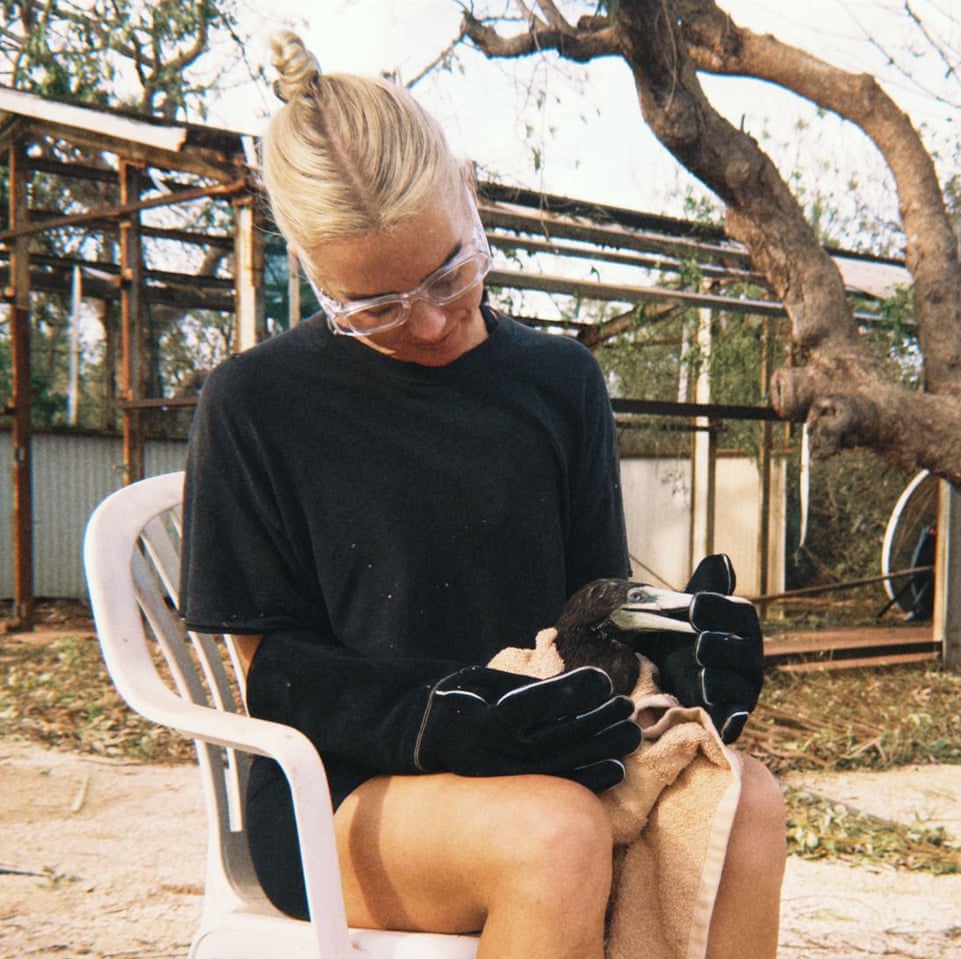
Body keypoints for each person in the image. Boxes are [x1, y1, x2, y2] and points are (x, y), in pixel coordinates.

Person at [180, 30, 786, 959]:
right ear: (309, 272)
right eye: (374, 307)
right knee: (553, 837)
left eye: (450, 273)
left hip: (546, 747)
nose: (425, 323)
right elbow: (279, 672)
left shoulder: (559, 381)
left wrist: (671, 627)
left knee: (748, 803)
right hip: (339, 793)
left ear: (468, 187)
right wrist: (444, 720)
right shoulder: (254, 403)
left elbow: (592, 605)